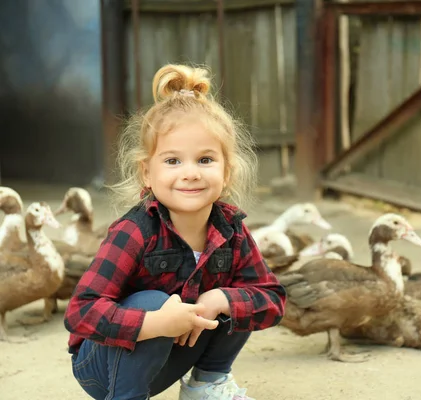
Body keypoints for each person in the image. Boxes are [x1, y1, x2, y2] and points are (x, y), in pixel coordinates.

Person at [63, 63, 286, 400]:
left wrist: (221, 298)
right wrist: (155, 324)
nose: (190, 173)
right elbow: (81, 312)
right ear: (146, 173)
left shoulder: (232, 231)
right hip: (103, 367)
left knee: (235, 296)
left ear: (227, 172)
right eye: (172, 161)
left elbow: (272, 299)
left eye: (205, 160)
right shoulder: (134, 232)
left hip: (170, 360)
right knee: (155, 302)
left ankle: (206, 385)